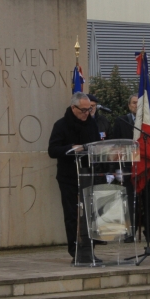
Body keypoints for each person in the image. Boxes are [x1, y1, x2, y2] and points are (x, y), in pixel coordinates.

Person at [48, 92, 101, 263]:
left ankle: (89, 251)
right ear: (73, 108)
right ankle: (76, 252)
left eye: (89, 109)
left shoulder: (91, 124)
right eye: (83, 110)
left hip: (88, 174)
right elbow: (52, 150)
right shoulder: (61, 125)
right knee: (72, 215)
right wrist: (71, 148)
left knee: (90, 215)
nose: (87, 113)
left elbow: (97, 145)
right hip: (69, 177)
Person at [113, 94, 150, 243]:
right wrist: (116, 168)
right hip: (128, 168)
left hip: (146, 167)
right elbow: (114, 145)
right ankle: (130, 232)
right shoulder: (121, 121)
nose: (136, 106)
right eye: (133, 103)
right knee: (129, 202)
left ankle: (149, 231)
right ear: (129, 105)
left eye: (139, 103)